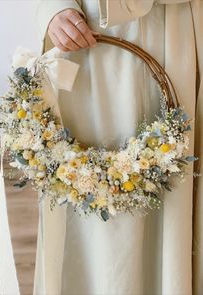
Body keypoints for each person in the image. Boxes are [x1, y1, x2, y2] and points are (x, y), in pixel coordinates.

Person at [34, 1, 203, 294]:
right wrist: (54, 8)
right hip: (88, 39)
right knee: (89, 197)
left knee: (173, 191)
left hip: (173, 30)